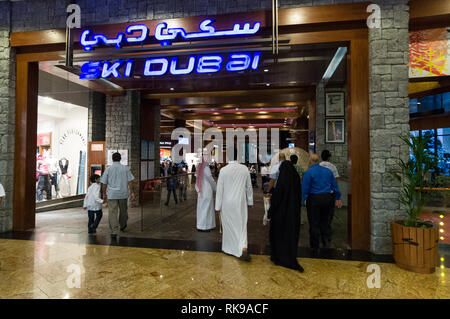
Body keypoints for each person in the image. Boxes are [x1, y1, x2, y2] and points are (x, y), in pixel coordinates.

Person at [215, 148, 253, 262]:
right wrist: (250, 201)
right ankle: (243, 248)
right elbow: (249, 187)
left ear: (228, 157)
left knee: (228, 226)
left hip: (227, 203)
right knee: (241, 226)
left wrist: (218, 206)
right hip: (240, 202)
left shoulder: (223, 171)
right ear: (238, 156)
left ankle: (229, 248)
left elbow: (219, 190)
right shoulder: (244, 169)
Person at [268, 160, 304, 273]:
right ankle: (289, 256)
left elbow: (277, 198)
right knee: (290, 236)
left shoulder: (282, 180)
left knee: (279, 236)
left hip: (280, 215)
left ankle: (278, 257)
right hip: (293, 214)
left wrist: (270, 211)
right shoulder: (296, 178)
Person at [302, 154, 342, 250]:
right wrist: (337, 197)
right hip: (328, 198)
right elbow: (335, 186)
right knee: (325, 221)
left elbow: (305, 189)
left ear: (310, 161)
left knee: (314, 222)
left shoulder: (308, 172)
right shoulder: (328, 171)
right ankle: (325, 241)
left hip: (314, 199)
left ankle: (315, 245)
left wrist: (304, 199)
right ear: (318, 161)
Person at [101, 152, 135, 238]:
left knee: (112, 213)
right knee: (123, 211)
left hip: (112, 195)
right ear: (120, 159)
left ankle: (113, 231)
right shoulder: (125, 168)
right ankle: (123, 225)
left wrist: (104, 194)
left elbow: (104, 183)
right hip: (123, 194)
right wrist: (132, 192)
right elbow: (130, 181)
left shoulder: (108, 169)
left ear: (112, 159)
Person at [319, 150, 340, 243]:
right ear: (329, 157)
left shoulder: (318, 166)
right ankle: (327, 232)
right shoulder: (333, 167)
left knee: (319, 213)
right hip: (329, 195)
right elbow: (336, 181)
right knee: (329, 214)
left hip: (318, 194)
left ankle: (320, 231)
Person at [195, 158, 217, 231]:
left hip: (201, 191)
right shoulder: (206, 168)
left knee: (201, 209)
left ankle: (200, 225)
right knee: (207, 209)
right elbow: (211, 179)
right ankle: (205, 226)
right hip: (207, 191)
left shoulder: (199, 167)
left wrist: (197, 190)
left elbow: (196, 180)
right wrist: (216, 188)